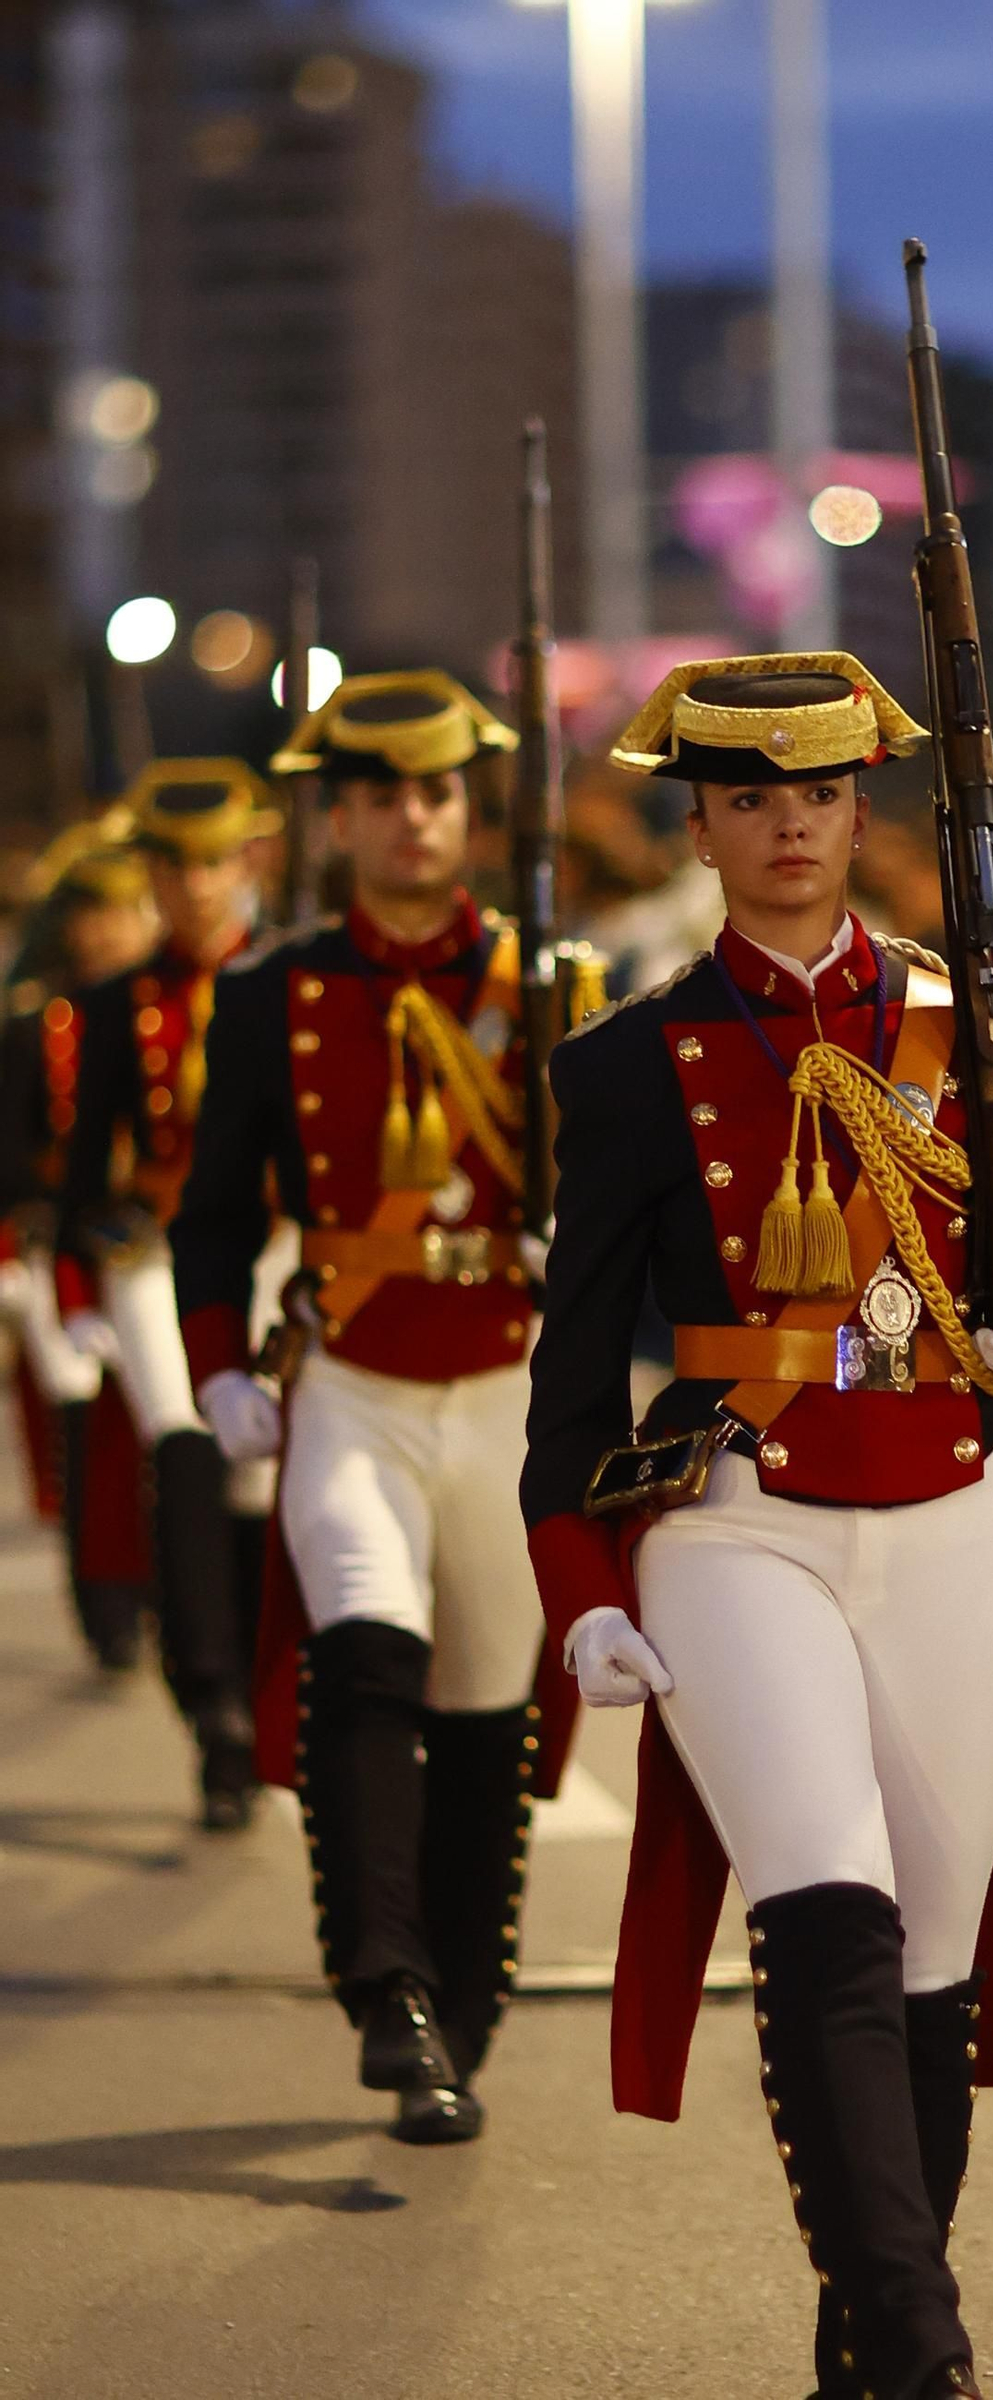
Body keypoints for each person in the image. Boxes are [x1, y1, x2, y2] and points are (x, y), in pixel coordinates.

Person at [522, 653, 993, 2400]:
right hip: (737, 1511)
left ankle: (864, 2363)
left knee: (934, 1977)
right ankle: (932, 2363)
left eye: (824, 796)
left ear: (867, 812)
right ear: (697, 826)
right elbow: (573, 1360)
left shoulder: (967, 1014)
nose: (793, 827)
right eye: (753, 800)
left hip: (955, 1499)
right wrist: (575, 1582)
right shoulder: (632, 1063)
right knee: (824, 1921)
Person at [172, 670, 567, 2146]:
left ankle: (463, 2003)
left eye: (438, 792)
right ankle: (384, 1982)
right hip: (355, 1380)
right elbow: (214, 1214)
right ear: (335, 819)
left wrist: (576, 1245)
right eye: (383, 795)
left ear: (469, 810)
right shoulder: (274, 991)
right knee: (364, 1649)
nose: (413, 818)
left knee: (483, 1729)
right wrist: (217, 1359)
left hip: (508, 1385)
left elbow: (624, 1188)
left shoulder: (551, 982)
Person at [54, 763, 278, 1819]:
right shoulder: (114, 1003)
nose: (194, 889)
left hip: (276, 1249)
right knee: (184, 1444)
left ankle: (259, 1672)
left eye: (212, 865)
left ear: (248, 863)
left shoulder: (290, 977)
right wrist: (85, 1255)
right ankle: (215, 1699)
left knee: (260, 1478)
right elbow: (86, 1152)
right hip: (156, 1253)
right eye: (173, 868)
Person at [0, 825, 159, 1671]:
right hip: (75, 1243)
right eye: (90, 916)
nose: (103, 933)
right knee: (87, 1426)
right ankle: (104, 1600)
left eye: (119, 914)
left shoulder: (178, 1006)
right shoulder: (38, 1025)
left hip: (162, 1242)